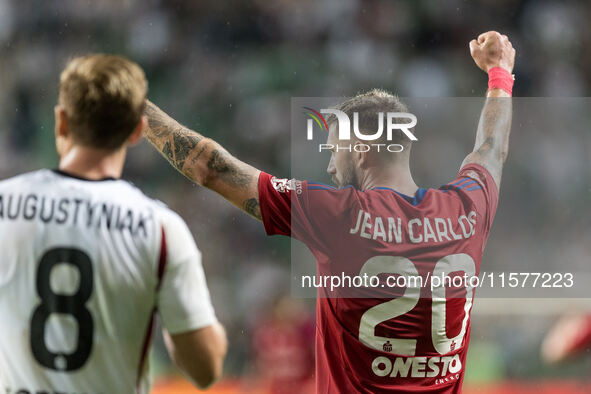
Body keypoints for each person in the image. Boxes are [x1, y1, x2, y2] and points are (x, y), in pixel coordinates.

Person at [143, 31, 514, 393]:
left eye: (334, 150)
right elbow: (491, 149)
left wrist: (136, 110)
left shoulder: (337, 215)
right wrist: (499, 74)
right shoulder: (468, 207)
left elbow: (211, 168)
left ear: (361, 151)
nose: (330, 167)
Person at [0, 54, 227, 393]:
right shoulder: (160, 229)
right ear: (137, 131)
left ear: (62, 121)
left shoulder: (5, 204)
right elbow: (206, 368)